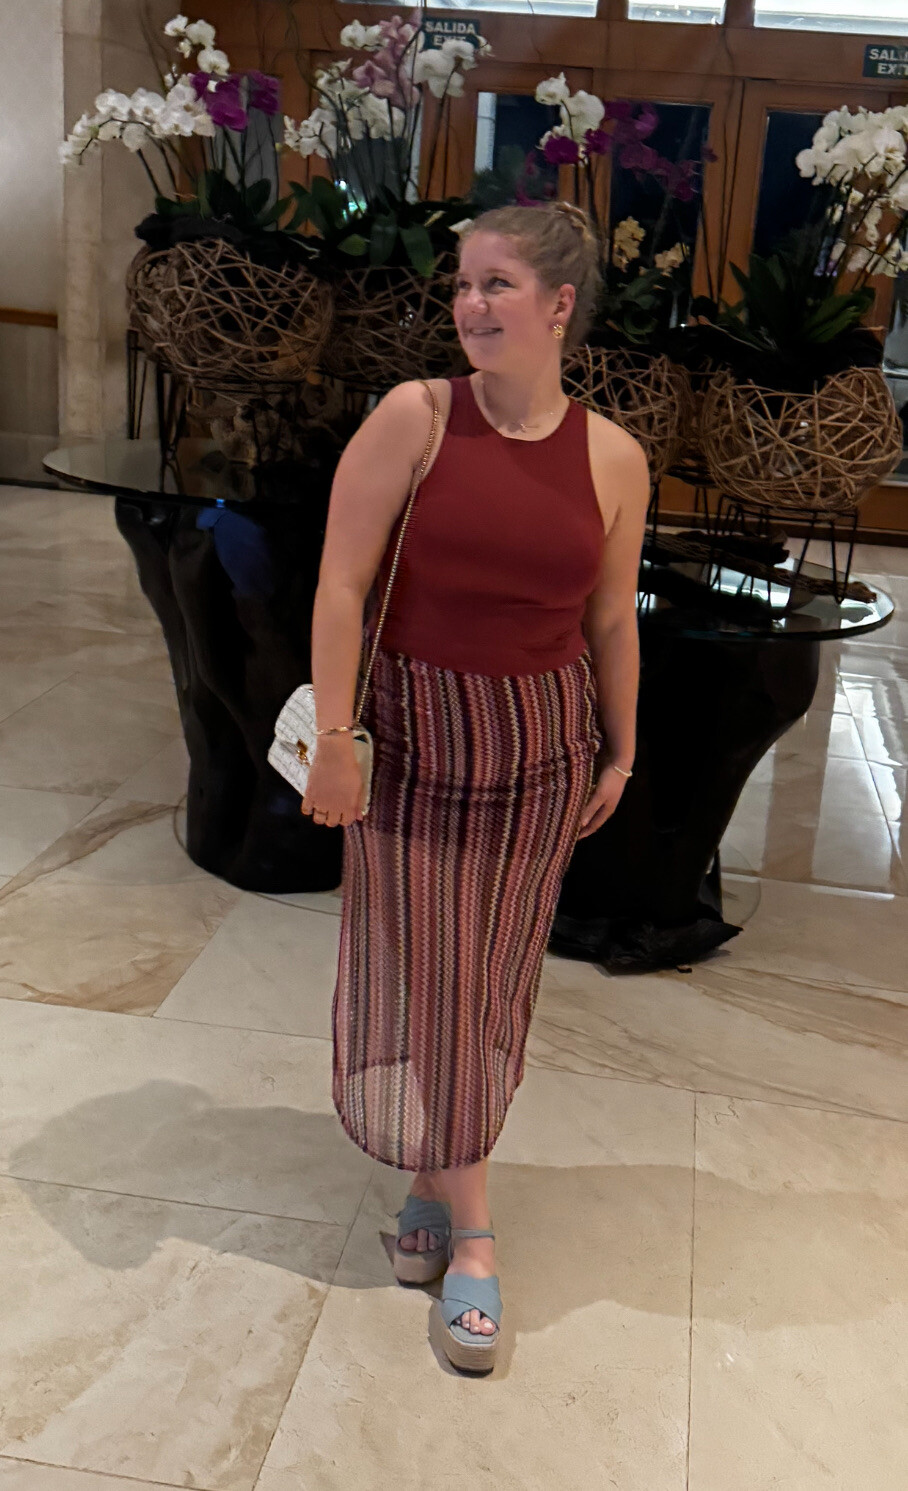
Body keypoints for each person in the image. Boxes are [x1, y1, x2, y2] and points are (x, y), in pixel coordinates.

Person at [302, 202, 649, 1373]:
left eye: (496, 284)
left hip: (539, 753)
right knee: (435, 974)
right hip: (411, 743)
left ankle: (427, 1178)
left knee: (488, 982)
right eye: (461, 284)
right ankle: (478, 1234)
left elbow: (610, 618)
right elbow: (340, 585)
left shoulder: (613, 457)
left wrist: (621, 750)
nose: (469, 304)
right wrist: (335, 734)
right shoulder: (414, 415)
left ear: (558, 306)